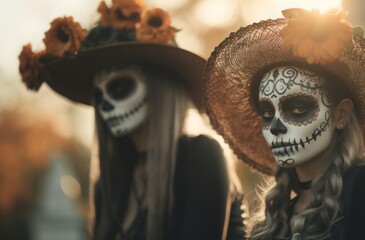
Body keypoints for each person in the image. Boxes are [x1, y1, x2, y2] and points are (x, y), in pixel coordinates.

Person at [18, 0, 245, 239]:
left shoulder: (201, 156)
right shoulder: (112, 182)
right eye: (98, 94)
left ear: (158, 87)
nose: (104, 104)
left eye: (119, 87)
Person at [203, 8, 365, 240]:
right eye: (266, 112)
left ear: (341, 114)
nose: (275, 127)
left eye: (299, 109)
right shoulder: (276, 216)